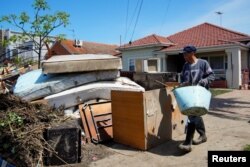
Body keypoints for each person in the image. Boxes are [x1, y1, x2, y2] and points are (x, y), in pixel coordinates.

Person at [178, 45, 215, 152]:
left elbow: (212, 76)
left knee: (192, 114)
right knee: (195, 114)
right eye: (184, 54)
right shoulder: (185, 66)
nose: (184, 56)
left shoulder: (203, 63)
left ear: (192, 53)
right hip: (190, 94)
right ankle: (203, 136)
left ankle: (187, 142)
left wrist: (204, 81)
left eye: (186, 53)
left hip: (201, 94)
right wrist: (182, 84)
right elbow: (184, 79)